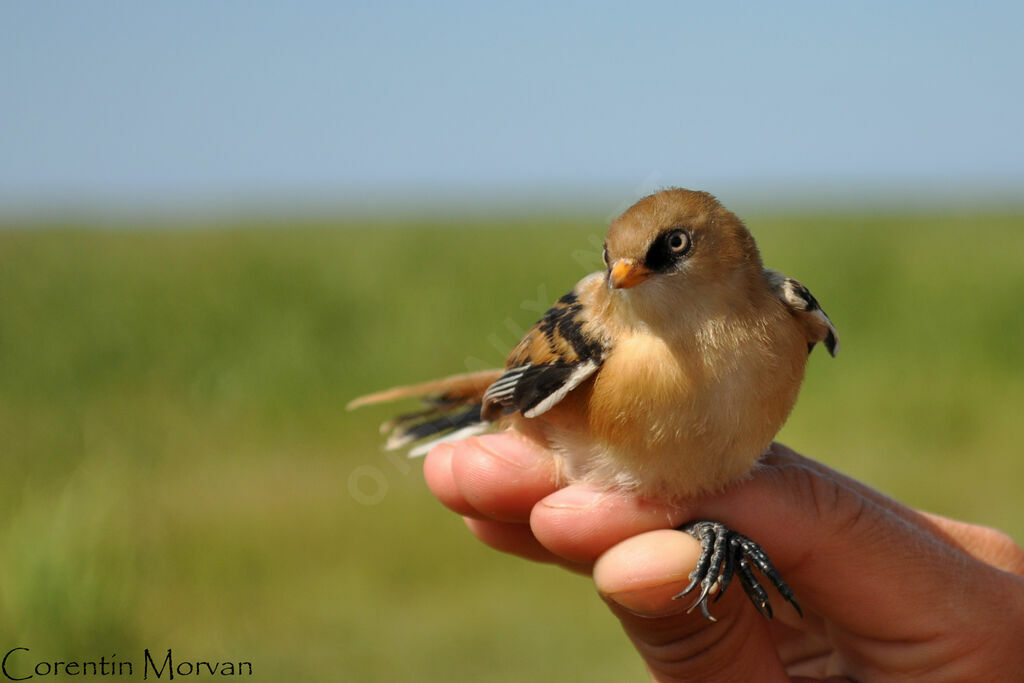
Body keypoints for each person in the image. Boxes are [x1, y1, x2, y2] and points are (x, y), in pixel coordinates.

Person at [424, 433, 1024, 681]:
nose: (627, 276)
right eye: (613, 265)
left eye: (673, 249)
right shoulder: (613, 315)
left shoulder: (783, 307)